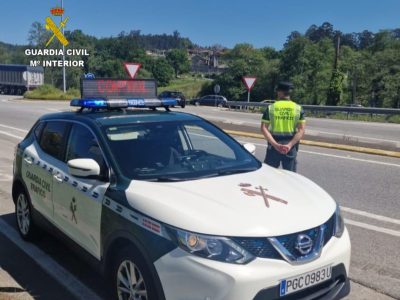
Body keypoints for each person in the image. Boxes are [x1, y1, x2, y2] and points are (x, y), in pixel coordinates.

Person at [260, 81, 305, 172]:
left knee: (269, 175)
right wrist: (289, 145)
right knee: (291, 177)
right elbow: (301, 130)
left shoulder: (271, 108)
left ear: (279, 92)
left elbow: (264, 128)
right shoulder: (298, 108)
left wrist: (275, 145)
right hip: (290, 147)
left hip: (273, 146)